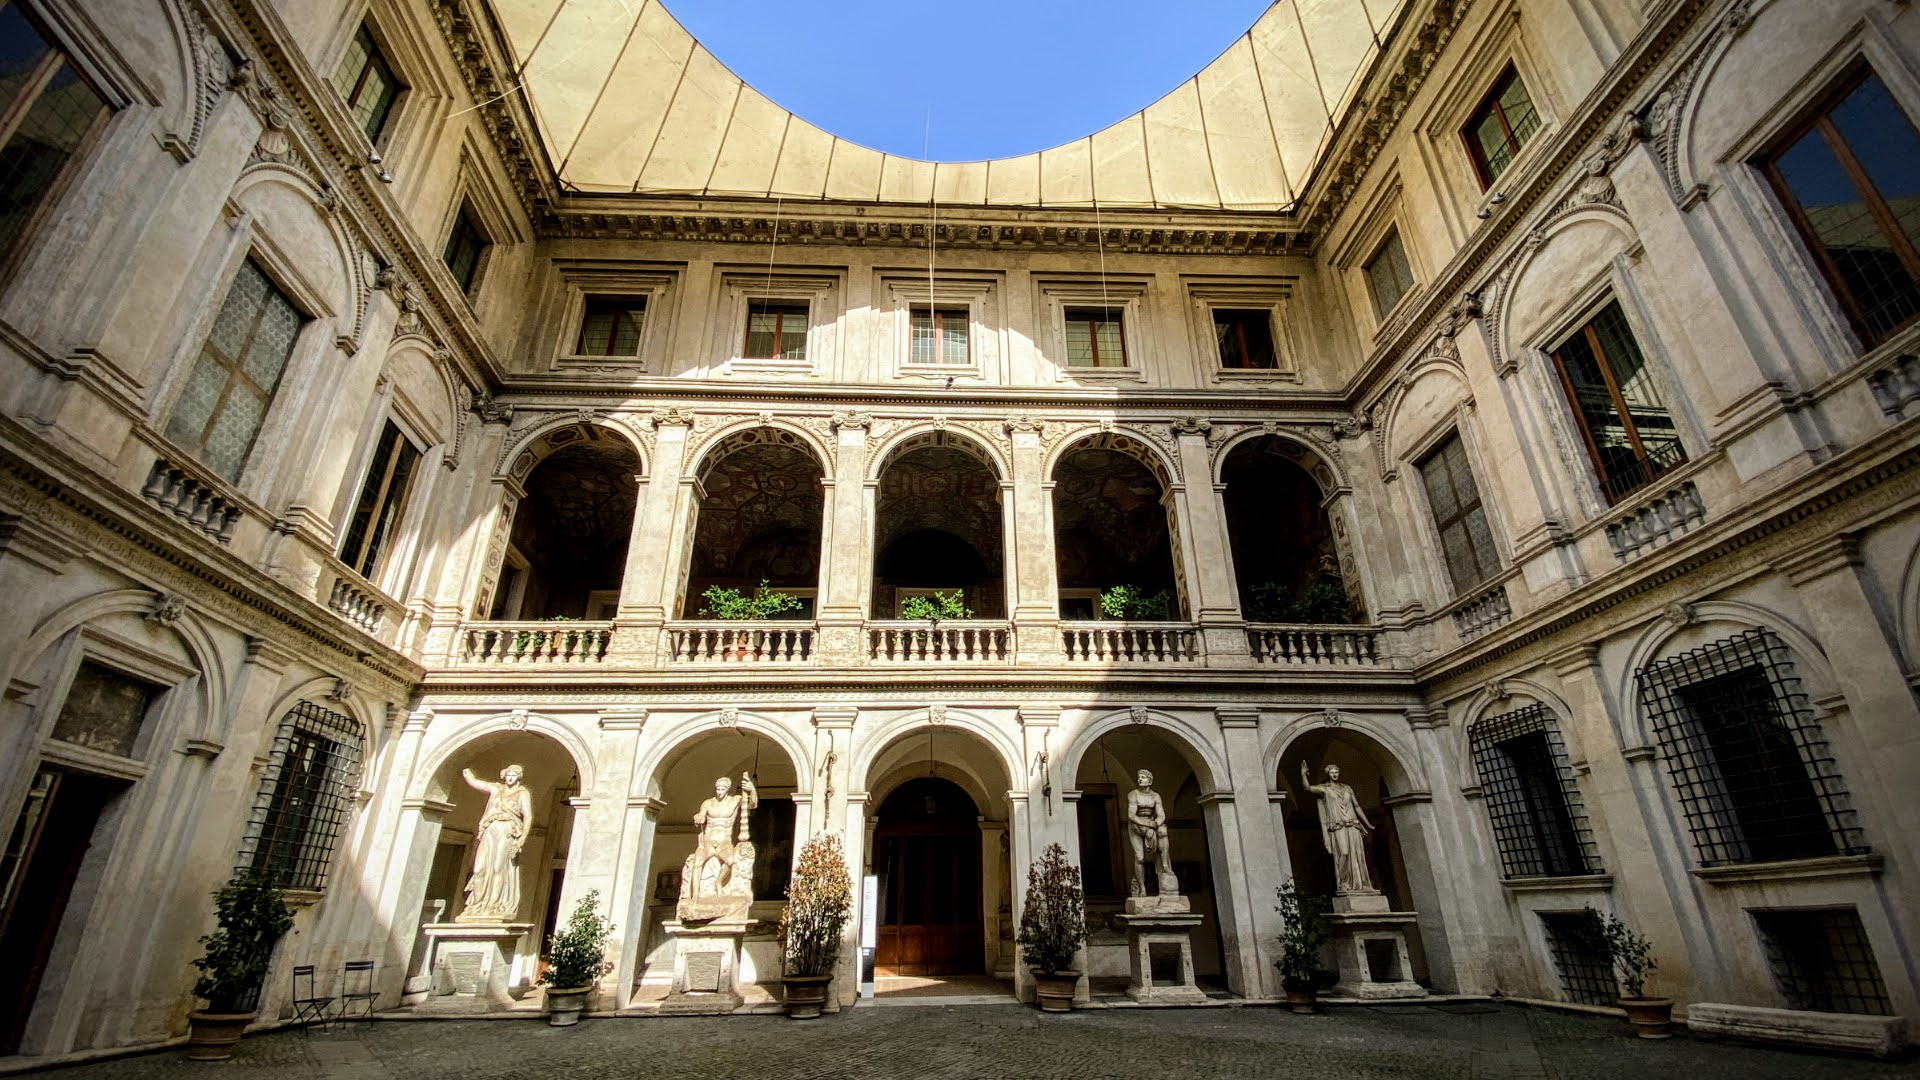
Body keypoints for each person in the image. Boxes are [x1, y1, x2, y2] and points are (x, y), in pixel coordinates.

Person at [459, 764, 532, 921]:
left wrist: (522, 839)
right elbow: (478, 783)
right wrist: (467, 774)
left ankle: (493, 905)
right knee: (479, 869)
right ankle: (476, 905)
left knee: (499, 867)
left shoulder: (522, 793)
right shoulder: (496, 789)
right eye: (508, 774)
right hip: (490, 829)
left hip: (507, 830)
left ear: (518, 777)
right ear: (504, 776)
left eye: (514, 775)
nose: (510, 777)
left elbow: (528, 815)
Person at [1300, 761, 1375, 894]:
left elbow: (1356, 806)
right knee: (1344, 853)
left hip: (1353, 824)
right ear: (1328, 774)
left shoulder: (1347, 788)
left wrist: (1367, 823)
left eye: (1336, 772)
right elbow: (1308, 788)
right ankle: (1344, 882)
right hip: (1338, 826)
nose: (1334, 775)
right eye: (1332, 773)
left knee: (1358, 855)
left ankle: (1363, 883)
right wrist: (1303, 774)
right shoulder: (1325, 788)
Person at [685, 773, 758, 900]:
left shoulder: (735, 800)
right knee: (697, 862)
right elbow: (701, 816)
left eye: (722, 789)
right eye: (717, 789)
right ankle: (695, 895)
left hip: (724, 841)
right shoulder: (708, 803)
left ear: (727, 789)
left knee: (730, 861)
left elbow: (752, 805)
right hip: (708, 840)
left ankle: (719, 882)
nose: (719, 792)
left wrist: (752, 790)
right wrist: (698, 818)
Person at [1126, 769, 1177, 896]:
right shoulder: (1133, 794)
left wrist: (1156, 824)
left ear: (1150, 781)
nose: (1140, 779)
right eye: (1139, 777)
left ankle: (1165, 865)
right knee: (1140, 858)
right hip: (1136, 826)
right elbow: (1131, 815)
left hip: (1150, 824)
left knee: (1163, 832)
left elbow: (1161, 815)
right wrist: (1148, 825)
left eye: (1143, 777)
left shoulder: (1155, 796)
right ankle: (1142, 888)